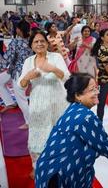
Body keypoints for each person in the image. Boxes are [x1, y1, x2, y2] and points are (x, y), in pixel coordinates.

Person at [35, 73, 108, 188]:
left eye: (97, 88)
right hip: (60, 176)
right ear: (78, 95)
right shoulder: (86, 117)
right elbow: (104, 144)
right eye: (92, 90)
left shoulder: (73, 109)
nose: (97, 92)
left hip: (48, 169)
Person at [18, 30, 70, 177]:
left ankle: (59, 165)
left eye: (42, 41)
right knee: (37, 134)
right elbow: (21, 85)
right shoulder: (29, 61)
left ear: (47, 43)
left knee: (58, 134)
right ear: (32, 46)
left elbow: (67, 77)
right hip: (38, 104)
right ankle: (37, 165)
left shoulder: (56, 57)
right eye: (36, 41)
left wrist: (52, 68)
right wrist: (28, 77)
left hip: (57, 102)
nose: (40, 44)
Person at [0, 20, 33, 129]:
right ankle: (9, 103)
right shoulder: (31, 40)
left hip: (19, 71)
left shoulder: (16, 42)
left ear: (19, 29)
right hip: (23, 69)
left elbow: (8, 57)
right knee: (1, 80)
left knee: (21, 98)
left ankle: (29, 122)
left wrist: (1, 65)